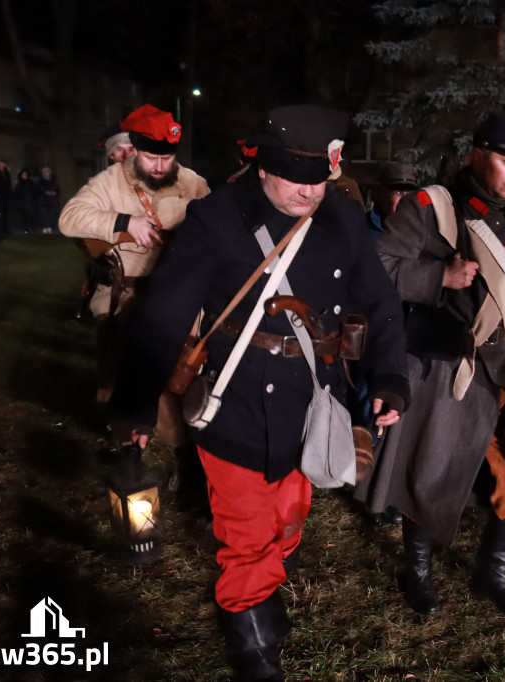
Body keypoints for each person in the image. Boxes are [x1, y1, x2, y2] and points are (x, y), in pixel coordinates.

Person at [107, 104, 409, 681]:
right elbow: (164, 317)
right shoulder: (215, 220)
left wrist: (390, 376)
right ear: (264, 168)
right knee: (245, 525)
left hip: (314, 401)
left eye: (320, 178)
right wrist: (134, 407)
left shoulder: (343, 216)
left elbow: (380, 303)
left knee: (290, 513)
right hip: (236, 399)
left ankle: (267, 577)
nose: (310, 192)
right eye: (299, 179)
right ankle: (249, 629)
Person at [356, 112, 505, 622]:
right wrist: (437, 276)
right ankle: (418, 573)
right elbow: (378, 267)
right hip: (442, 363)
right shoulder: (432, 206)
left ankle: (492, 573)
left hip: (503, 366)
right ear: (476, 154)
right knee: (431, 472)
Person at [59, 103, 211, 509]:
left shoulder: (193, 183)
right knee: (127, 379)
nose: (159, 165)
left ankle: (188, 462)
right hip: (129, 295)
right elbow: (70, 217)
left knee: (181, 383)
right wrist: (124, 223)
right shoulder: (109, 182)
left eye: (166, 157)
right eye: (149, 156)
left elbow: (219, 221)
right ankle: (132, 460)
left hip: (181, 298)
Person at [367, 161, 418, 237]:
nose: (405, 199)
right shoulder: (362, 228)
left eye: (410, 193)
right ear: (380, 195)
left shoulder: (421, 232)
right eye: (397, 193)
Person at [12, 168, 39, 234]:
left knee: (32, 217)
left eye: (26, 174)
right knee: (24, 217)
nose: (25, 175)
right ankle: (26, 229)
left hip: (31, 202)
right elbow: (16, 193)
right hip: (23, 203)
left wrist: (34, 200)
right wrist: (18, 202)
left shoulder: (31, 182)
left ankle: (33, 228)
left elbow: (35, 191)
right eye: (23, 174)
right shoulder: (19, 183)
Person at [37, 167, 60, 233]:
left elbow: (56, 190)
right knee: (44, 214)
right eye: (45, 172)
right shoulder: (40, 181)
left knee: (51, 214)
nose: (47, 173)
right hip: (43, 201)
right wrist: (46, 192)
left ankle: (50, 227)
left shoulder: (53, 181)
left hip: (52, 201)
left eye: (48, 172)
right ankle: (45, 227)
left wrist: (52, 193)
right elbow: (40, 190)